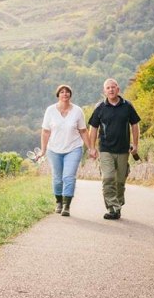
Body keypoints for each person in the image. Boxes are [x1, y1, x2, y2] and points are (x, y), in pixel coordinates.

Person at [88, 78, 141, 220]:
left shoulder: (127, 106)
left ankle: (117, 205)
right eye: (108, 88)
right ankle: (112, 208)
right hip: (105, 149)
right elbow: (93, 128)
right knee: (108, 178)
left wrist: (135, 144)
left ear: (118, 89)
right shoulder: (100, 108)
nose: (111, 90)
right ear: (104, 91)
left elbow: (135, 125)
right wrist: (92, 147)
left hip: (123, 150)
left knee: (120, 182)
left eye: (113, 87)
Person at [37, 84, 93, 217]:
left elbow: (83, 131)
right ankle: (59, 202)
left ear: (70, 95)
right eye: (62, 92)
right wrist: (43, 150)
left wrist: (91, 147)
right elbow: (45, 132)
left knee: (68, 177)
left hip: (73, 148)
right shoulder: (50, 110)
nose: (65, 94)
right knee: (57, 178)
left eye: (67, 92)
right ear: (58, 95)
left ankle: (67, 205)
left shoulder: (77, 111)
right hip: (54, 149)